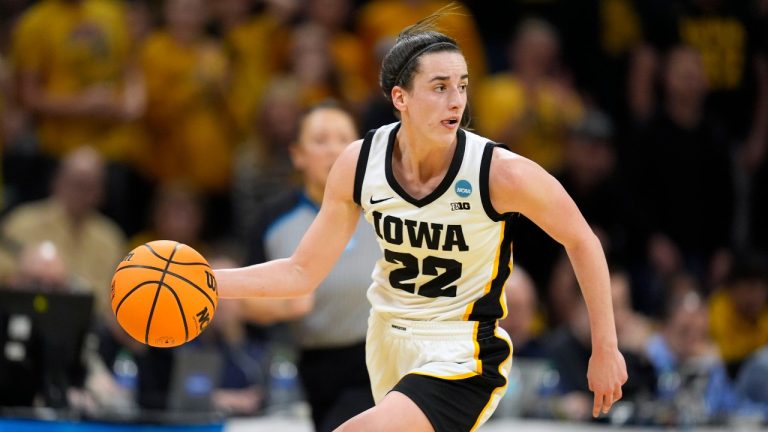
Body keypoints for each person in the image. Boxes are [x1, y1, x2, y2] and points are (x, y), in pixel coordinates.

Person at [216, 11, 627, 431]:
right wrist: (209, 282)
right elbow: (300, 272)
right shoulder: (359, 163)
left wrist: (605, 347)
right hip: (386, 341)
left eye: (462, 86)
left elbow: (582, 241)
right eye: (440, 87)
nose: (456, 100)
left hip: (461, 352)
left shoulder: (499, 172)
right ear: (401, 98)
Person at [240, 101, 378, 431]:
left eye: (344, 139)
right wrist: (281, 305)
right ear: (297, 154)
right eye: (320, 140)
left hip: (387, 356)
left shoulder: (389, 208)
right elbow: (247, 301)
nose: (334, 149)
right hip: (317, 364)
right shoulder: (273, 221)